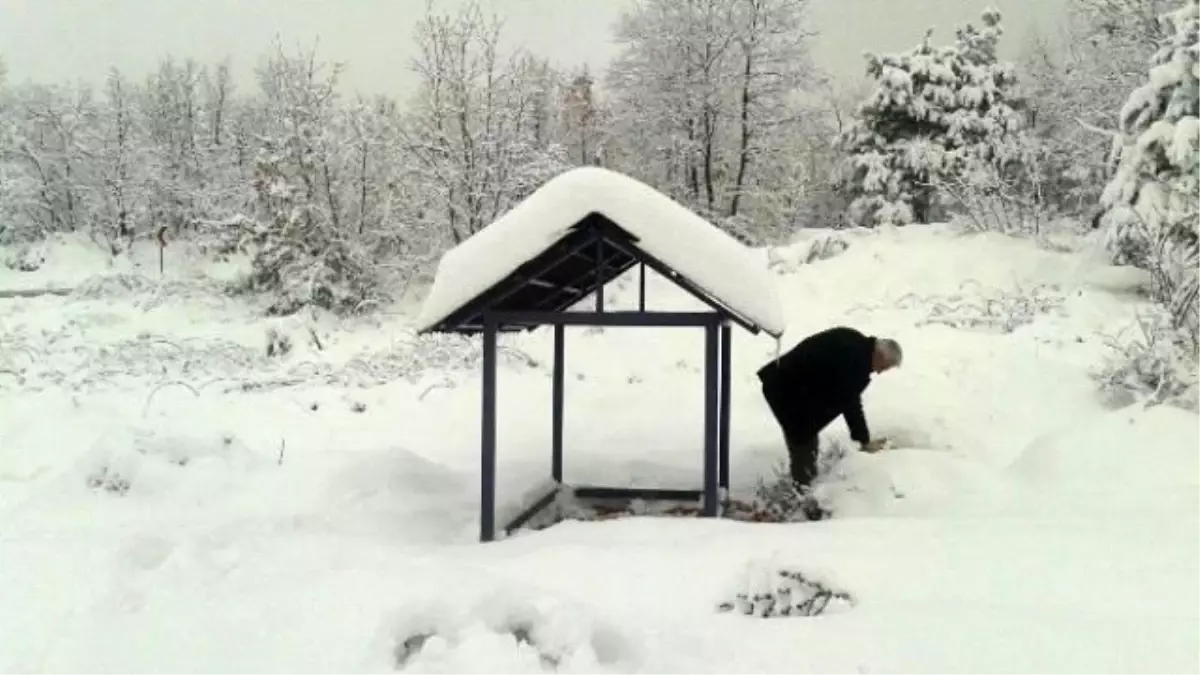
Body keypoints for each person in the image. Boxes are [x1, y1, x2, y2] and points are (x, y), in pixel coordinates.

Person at [757, 326, 902, 489]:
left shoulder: (855, 343)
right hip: (787, 391)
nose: (881, 372)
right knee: (803, 444)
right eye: (885, 366)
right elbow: (851, 403)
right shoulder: (857, 360)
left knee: (806, 440)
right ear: (880, 355)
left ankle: (803, 489)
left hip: (788, 388)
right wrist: (864, 441)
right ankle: (802, 494)